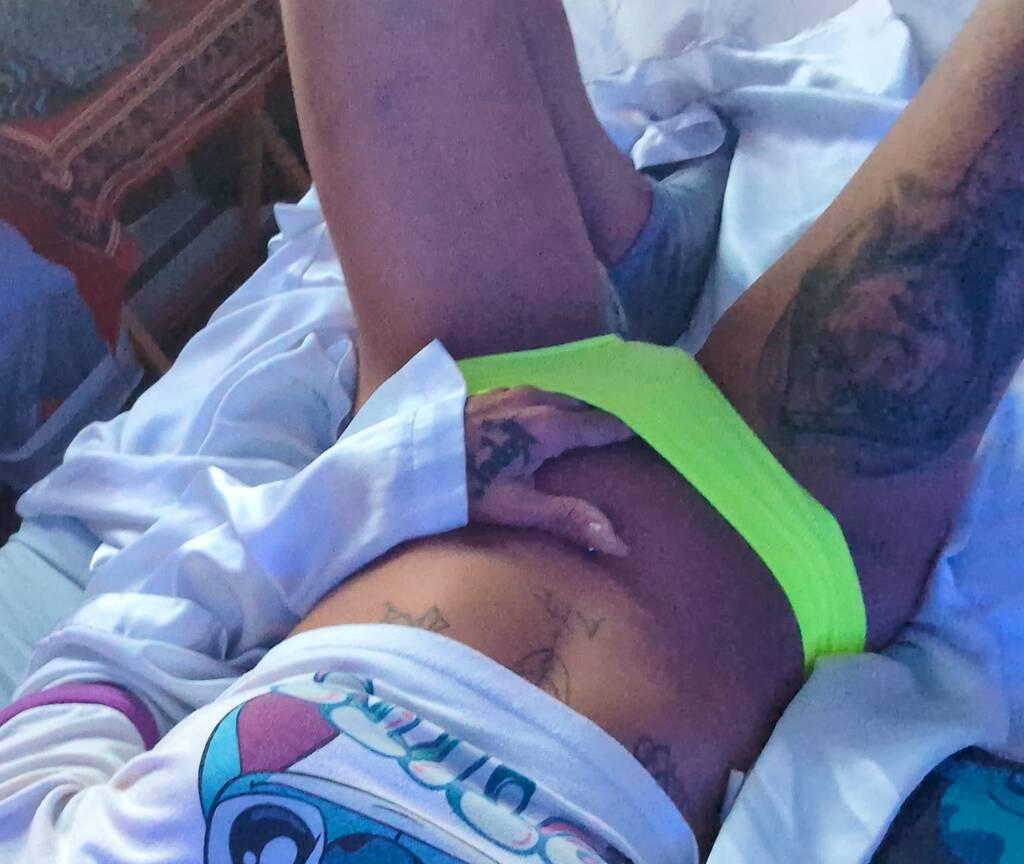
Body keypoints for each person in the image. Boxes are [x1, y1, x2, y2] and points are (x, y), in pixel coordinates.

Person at [0, 2, 1019, 863]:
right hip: (782, 529)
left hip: (478, 400)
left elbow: (111, 650)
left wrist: (392, 477)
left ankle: (640, 245)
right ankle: (637, 242)